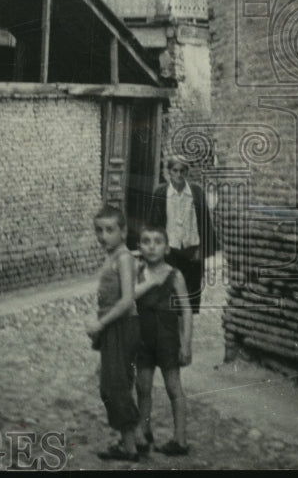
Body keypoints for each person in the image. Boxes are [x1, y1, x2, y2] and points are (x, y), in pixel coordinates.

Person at [86, 206, 141, 462]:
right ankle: (133, 439)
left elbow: (128, 300)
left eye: (110, 230)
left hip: (121, 325)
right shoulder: (112, 256)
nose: (103, 236)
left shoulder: (124, 258)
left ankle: (129, 448)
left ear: (123, 232)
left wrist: (101, 323)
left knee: (115, 385)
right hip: (112, 326)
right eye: (99, 230)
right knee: (115, 383)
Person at [133, 224, 192, 457]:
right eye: (146, 241)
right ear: (139, 247)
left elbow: (186, 310)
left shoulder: (174, 275)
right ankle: (145, 431)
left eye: (158, 242)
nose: (152, 246)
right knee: (143, 386)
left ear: (167, 248)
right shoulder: (137, 274)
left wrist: (186, 343)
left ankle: (180, 438)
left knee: (173, 387)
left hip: (167, 341)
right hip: (143, 340)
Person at [138, 156, 216, 314]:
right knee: (170, 292)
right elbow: (153, 223)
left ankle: (186, 328)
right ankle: (172, 329)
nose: (178, 174)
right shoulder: (161, 192)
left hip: (192, 251)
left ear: (187, 172)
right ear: (168, 172)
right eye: (175, 170)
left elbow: (206, 222)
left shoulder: (196, 192)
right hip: (170, 251)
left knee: (191, 293)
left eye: (182, 171)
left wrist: (203, 249)